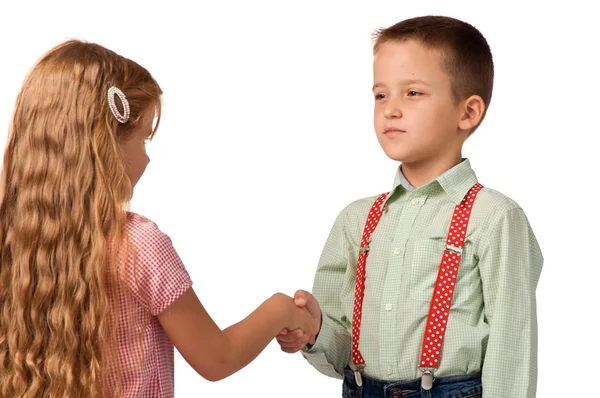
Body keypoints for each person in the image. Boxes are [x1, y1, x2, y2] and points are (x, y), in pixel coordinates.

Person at [0, 40, 316, 397]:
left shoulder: (13, 240)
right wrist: (281, 310)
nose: (147, 159)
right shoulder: (138, 246)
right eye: (143, 140)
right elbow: (217, 357)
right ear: (104, 144)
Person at [276, 15, 543, 398]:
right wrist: (315, 331)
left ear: (467, 112)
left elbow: (511, 350)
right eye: (381, 94)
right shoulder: (357, 220)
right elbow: (341, 354)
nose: (391, 109)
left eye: (413, 93)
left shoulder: (494, 217)